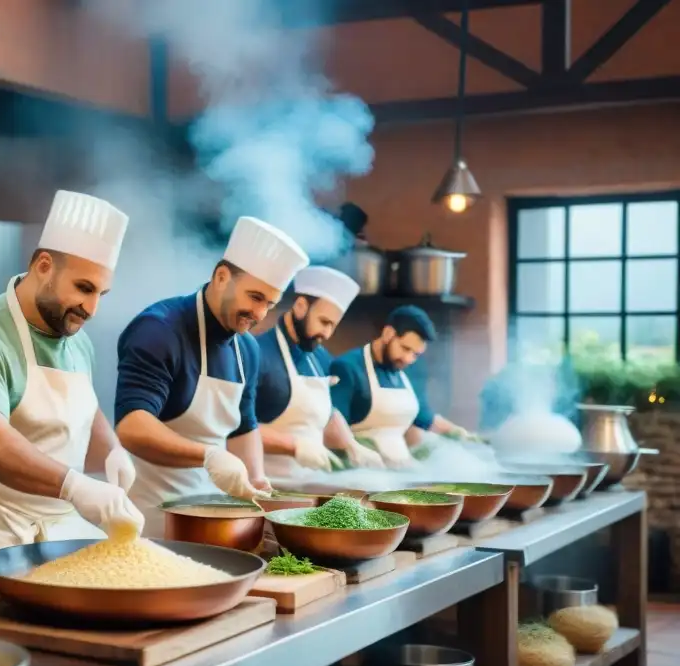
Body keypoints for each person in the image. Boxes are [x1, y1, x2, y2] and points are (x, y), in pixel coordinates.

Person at [0, 190, 144, 550]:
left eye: (101, 294)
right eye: (83, 288)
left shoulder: (78, 342)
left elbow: (85, 413)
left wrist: (112, 451)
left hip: (59, 533)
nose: (91, 308)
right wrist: (75, 486)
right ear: (43, 265)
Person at [116, 217, 310, 537]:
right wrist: (208, 455)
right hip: (153, 520)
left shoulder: (247, 349)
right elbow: (131, 427)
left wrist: (256, 481)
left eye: (270, 304)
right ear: (222, 277)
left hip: (215, 518)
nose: (261, 314)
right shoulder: (158, 329)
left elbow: (244, 425)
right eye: (255, 297)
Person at [255, 266, 385, 479]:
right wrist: (294, 446)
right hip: (269, 487)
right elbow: (235, 428)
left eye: (333, 325)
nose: (327, 333)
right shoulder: (258, 353)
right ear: (300, 306)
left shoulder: (321, 356)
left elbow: (326, 413)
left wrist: (351, 445)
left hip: (312, 483)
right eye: (324, 322)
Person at [329, 305, 475, 468]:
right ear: (388, 334)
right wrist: (357, 447)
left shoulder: (405, 371)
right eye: (405, 348)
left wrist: (459, 433)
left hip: (400, 468)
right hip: (361, 471)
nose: (408, 359)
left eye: (415, 354)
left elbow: (424, 417)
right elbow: (331, 424)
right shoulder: (348, 367)